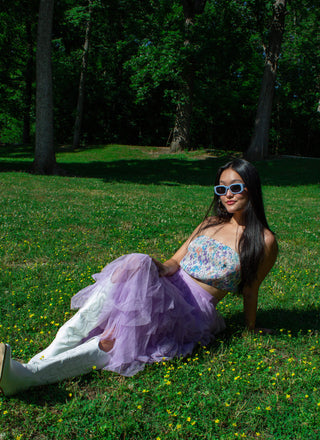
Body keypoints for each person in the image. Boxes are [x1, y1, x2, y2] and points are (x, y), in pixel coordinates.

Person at [0, 158, 278, 396]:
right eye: (221, 188)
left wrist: (250, 327)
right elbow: (173, 263)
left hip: (192, 310)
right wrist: (152, 266)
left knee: (113, 340)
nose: (227, 195)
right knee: (135, 262)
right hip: (169, 285)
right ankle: (33, 363)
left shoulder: (264, 241)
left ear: (251, 189)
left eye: (235, 187)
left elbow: (251, 289)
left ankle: (26, 375)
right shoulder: (210, 223)